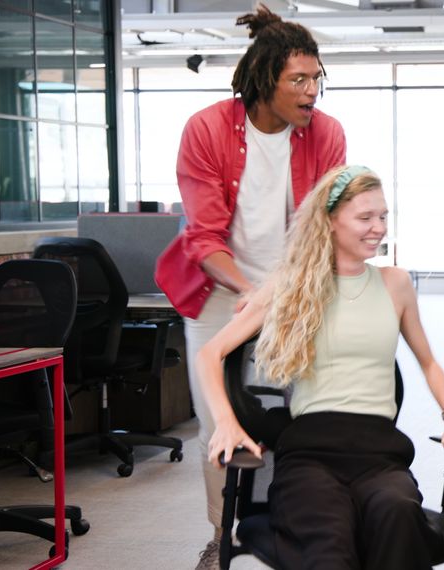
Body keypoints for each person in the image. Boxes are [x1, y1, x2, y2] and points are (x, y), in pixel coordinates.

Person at [195, 165, 444, 569]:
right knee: (328, 540)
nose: (378, 228)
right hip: (310, 454)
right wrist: (227, 424)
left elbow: (429, 362)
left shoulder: (395, 283)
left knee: (398, 515)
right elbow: (210, 353)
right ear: (331, 220)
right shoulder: (290, 285)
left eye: (384, 216)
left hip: (380, 454)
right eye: (365, 217)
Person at [152, 6, 345, 568]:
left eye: (317, 78)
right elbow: (205, 236)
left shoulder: (326, 134)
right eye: (300, 80)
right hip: (217, 292)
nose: (313, 92)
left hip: (293, 289)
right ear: (264, 81)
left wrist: (293, 290)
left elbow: (327, 225)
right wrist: (247, 289)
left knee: (301, 413)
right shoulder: (208, 129)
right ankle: (223, 534)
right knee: (221, 420)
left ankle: (294, 527)